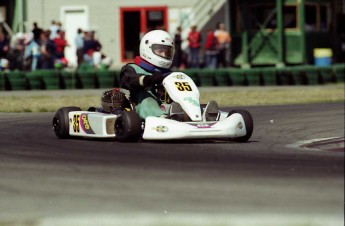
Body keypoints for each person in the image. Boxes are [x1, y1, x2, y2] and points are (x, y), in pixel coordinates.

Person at [115, 30, 174, 119]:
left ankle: (187, 116)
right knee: (147, 99)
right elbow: (128, 80)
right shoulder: (132, 69)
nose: (164, 54)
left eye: (167, 52)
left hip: (165, 106)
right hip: (139, 108)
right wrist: (148, 80)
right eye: (160, 50)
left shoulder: (169, 73)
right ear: (147, 49)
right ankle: (160, 118)